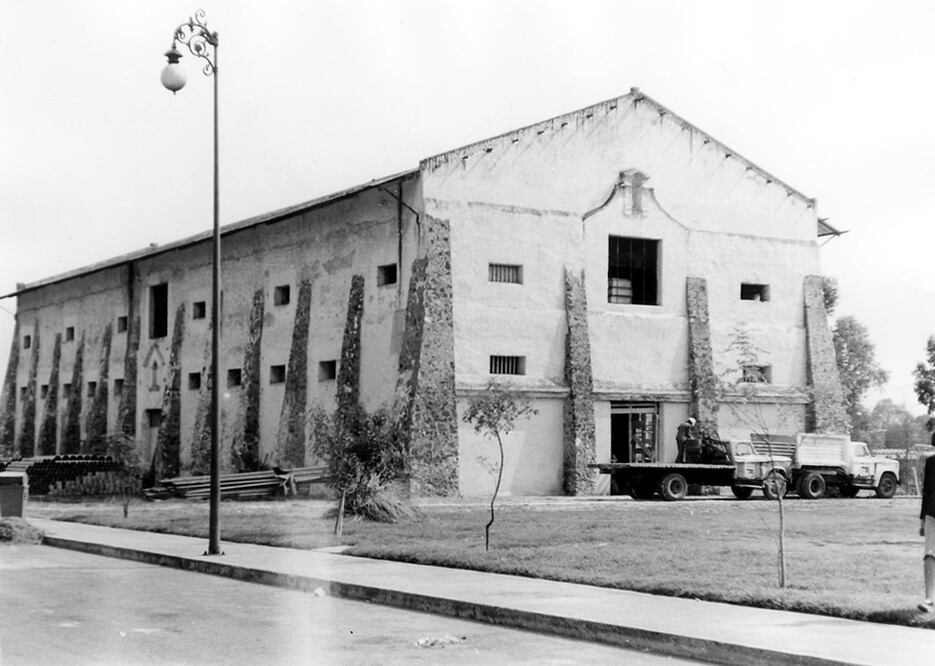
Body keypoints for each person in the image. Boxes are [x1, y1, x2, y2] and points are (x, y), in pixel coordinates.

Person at [920, 448, 935, 613]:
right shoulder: (931, 462)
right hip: (932, 515)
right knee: (929, 554)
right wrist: (922, 520)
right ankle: (929, 599)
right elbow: (926, 492)